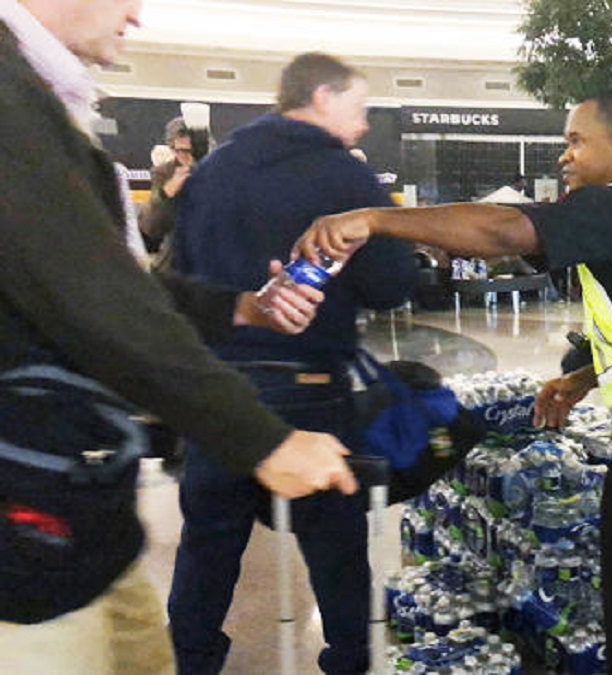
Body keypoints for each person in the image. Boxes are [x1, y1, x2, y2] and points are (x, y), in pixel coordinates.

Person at [294, 87, 612, 674]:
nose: (564, 156)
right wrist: (582, 379)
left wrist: (375, 218)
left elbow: (504, 232)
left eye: (576, 141)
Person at [0, 2, 359, 673]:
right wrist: (261, 436)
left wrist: (244, 309)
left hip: (78, 516)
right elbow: (93, 298)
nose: (137, 13)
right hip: (22, 545)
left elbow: (113, 276)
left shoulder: (35, 94)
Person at [168, 51, 416, 675]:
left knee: (207, 542)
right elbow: (393, 284)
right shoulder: (347, 177)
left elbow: (176, 280)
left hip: (218, 387)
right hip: (309, 388)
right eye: (358, 109)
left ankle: (190, 658)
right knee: (334, 542)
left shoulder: (213, 169)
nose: (362, 126)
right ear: (324, 98)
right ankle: (351, 659)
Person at [141, 115, 207, 271]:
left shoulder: (220, 169)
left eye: (195, 151)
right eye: (183, 151)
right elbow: (150, 227)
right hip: (176, 261)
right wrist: (166, 194)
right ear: (172, 149)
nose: (190, 158)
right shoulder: (164, 173)